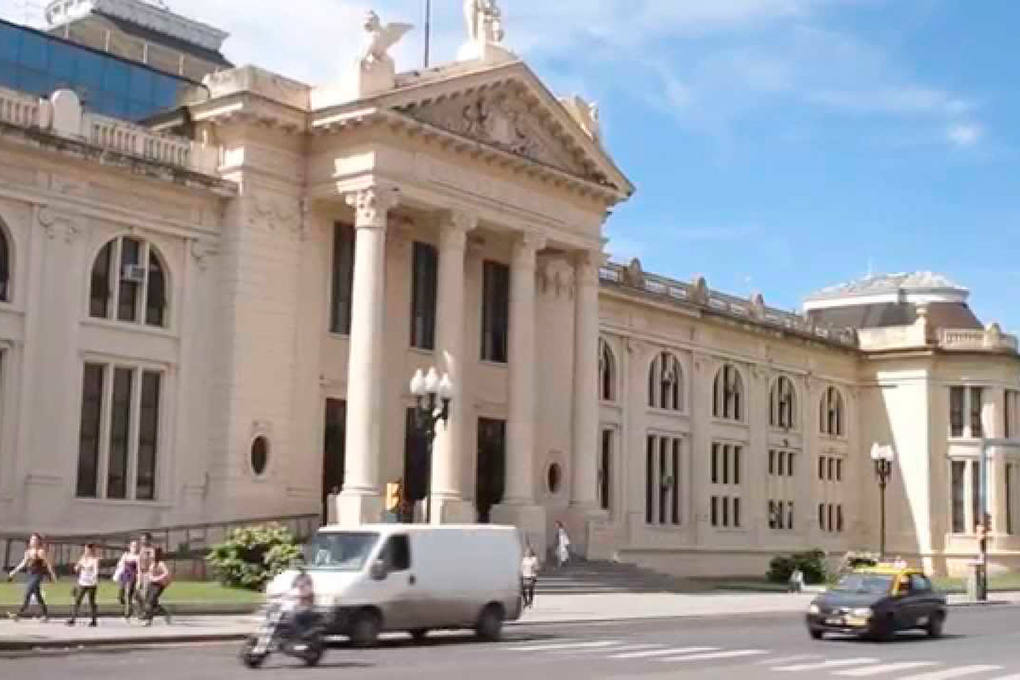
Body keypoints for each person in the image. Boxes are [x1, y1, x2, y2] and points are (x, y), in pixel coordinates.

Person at [6, 533, 57, 621]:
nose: (32, 541)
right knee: (38, 596)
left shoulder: (41, 552)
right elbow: (23, 563)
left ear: (38, 541)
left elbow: (48, 564)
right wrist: (13, 572)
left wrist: (53, 575)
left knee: (28, 592)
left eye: (35, 539)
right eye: (31, 539)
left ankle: (18, 613)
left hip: (38, 575)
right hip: (30, 574)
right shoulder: (28, 552)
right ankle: (45, 615)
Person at [67, 543, 100, 627]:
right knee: (77, 600)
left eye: (88, 550)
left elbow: (96, 571)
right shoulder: (82, 558)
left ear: (91, 550)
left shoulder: (95, 559)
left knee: (91, 602)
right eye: (85, 549)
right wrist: (78, 566)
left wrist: (92, 575)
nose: (86, 551)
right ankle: (73, 619)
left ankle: (94, 620)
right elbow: (76, 568)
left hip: (91, 583)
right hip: (82, 582)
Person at [142, 547, 172, 626]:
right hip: (151, 583)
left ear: (156, 554)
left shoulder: (161, 563)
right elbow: (149, 573)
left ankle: (148, 620)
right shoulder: (151, 563)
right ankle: (165, 613)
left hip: (159, 585)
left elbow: (167, 573)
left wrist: (158, 578)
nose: (151, 555)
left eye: (152, 553)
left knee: (151, 601)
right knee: (151, 602)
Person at [112, 541, 141, 619]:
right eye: (133, 546)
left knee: (128, 594)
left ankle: (127, 613)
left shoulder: (137, 557)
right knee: (120, 595)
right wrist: (119, 567)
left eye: (136, 546)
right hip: (124, 575)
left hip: (132, 577)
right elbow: (120, 564)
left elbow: (139, 569)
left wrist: (138, 581)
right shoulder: (125, 555)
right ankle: (129, 606)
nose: (134, 548)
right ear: (130, 547)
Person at [134, 532, 156, 618]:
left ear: (148, 540)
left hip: (148, 573)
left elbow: (153, 562)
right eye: (141, 539)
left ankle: (146, 613)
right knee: (136, 593)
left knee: (145, 593)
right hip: (141, 573)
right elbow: (139, 562)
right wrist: (139, 574)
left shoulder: (151, 550)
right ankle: (145, 609)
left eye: (144, 539)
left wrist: (150, 574)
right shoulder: (141, 549)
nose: (142, 541)